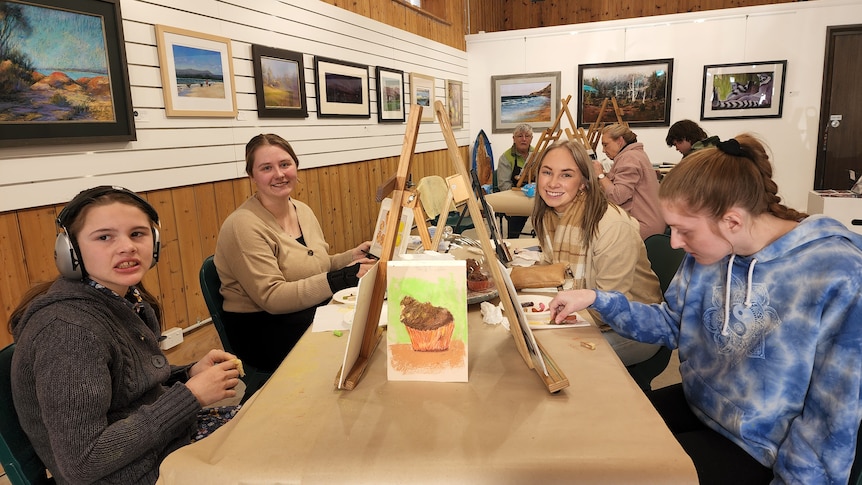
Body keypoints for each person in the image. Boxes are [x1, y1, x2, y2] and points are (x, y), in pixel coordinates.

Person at [548, 135, 862, 484]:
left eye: (684, 231)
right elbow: (672, 324)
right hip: (703, 405)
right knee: (590, 439)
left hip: (762, 447)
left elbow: (833, 416)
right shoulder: (713, 251)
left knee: (622, 472)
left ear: (732, 221)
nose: (674, 242)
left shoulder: (838, 272)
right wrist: (597, 299)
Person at [10, 186, 242, 484]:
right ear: (71, 250)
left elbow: (126, 386)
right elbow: (82, 462)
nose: (127, 247)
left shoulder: (123, 298)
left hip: (164, 447)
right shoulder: (69, 332)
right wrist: (191, 396)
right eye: (104, 237)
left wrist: (187, 374)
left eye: (137, 234)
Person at [215, 134, 376, 373]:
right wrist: (342, 278)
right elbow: (273, 297)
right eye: (266, 168)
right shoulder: (243, 226)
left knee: (370, 322)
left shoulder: (302, 209)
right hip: (264, 329)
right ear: (252, 176)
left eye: (285, 164)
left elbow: (317, 265)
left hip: (303, 311)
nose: (279, 174)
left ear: (296, 166)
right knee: (353, 336)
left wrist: (351, 258)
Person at [532, 138, 663, 366]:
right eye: (547, 172)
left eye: (566, 175)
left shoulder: (611, 225)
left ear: (583, 181)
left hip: (632, 328)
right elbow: (551, 270)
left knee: (550, 356)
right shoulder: (550, 216)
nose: (552, 183)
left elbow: (611, 307)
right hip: (587, 316)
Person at [595, 123, 666, 239]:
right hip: (652, 222)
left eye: (605, 145)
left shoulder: (629, 158)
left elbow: (617, 196)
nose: (603, 150)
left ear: (619, 141)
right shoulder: (636, 154)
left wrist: (600, 175)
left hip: (641, 226)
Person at [497, 123, 535, 238]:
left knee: (547, 214)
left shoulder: (537, 153)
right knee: (516, 223)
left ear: (531, 138)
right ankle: (512, 242)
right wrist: (521, 195)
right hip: (515, 196)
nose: (523, 139)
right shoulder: (506, 157)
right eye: (519, 136)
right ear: (513, 139)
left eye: (527, 136)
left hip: (534, 196)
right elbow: (503, 185)